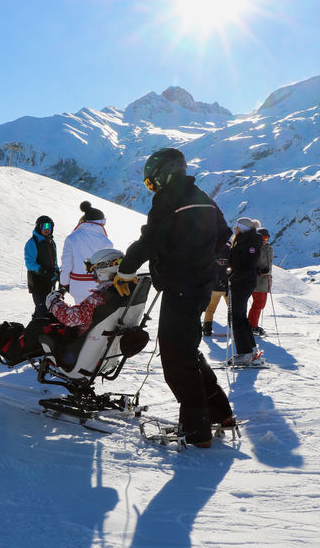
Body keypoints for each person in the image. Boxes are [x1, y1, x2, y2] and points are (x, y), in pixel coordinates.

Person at [112, 148, 234, 448]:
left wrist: (126, 269)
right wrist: (200, 257)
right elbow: (224, 235)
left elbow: (151, 239)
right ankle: (220, 412)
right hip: (200, 286)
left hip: (181, 286)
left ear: (166, 174)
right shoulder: (202, 196)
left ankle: (196, 431)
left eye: (152, 181)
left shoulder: (169, 198)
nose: (153, 187)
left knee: (176, 360)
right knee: (187, 351)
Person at [59, 201, 113, 303]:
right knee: (95, 312)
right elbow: (108, 268)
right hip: (98, 287)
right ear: (100, 222)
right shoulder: (106, 242)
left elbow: (67, 264)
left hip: (77, 285)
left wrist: (64, 283)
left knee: (81, 310)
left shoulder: (72, 238)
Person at [227, 217, 263, 366]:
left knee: (236, 317)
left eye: (237, 226)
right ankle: (251, 351)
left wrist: (234, 277)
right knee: (240, 317)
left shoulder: (249, 242)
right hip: (241, 282)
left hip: (242, 283)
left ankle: (245, 353)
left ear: (242, 228)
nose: (235, 228)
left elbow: (248, 266)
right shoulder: (245, 239)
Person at [24, 215, 59, 318]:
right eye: (44, 226)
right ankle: (36, 327)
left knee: (50, 309)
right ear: (38, 227)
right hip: (38, 283)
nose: (47, 229)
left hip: (50, 282)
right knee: (42, 310)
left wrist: (57, 272)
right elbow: (29, 263)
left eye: (49, 226)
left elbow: (54, 261)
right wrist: (43, 271)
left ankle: (41, 325)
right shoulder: (33, 242)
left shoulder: (51, 242)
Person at [248, 227, 274, 336]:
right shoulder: (254, 248)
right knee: (258, 304)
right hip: (257, 280)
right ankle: (252, 326)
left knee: (260, 304)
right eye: (262, 238)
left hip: (266, 280)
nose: (264, 240)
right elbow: (249, 263)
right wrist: (258, 270)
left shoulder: (269, 248)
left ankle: (251, 325)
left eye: (266, 238)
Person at [202, 240, 231, 337]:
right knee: (232, 308)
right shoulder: (232, 253)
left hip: (215, 287)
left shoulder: (213, 252)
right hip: (227, 287)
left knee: (210, 308)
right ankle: (234, 327)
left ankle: (206, 328)